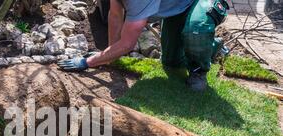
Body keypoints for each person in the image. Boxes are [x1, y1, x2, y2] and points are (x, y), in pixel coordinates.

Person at [58, 0, 230, 92]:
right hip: (178, 5)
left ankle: (200, 68)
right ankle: (205, 46)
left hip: (203, 2)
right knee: (172, 63)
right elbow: (115, 16)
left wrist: (88, 63)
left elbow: (127, 44)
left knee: (196, 31)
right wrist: (109, 54)